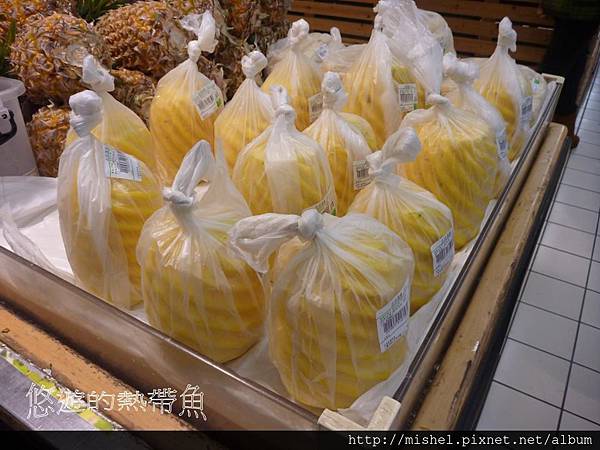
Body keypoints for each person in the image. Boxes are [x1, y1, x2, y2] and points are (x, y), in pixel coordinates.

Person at [539, 0, 600, 148]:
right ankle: (563, 132)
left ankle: (543, 133)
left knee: (555, 69)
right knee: (570, 67)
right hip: (582, 11)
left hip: (575, 9)